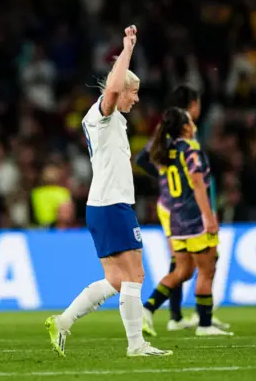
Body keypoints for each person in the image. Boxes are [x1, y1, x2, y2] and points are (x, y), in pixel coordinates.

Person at [45, 25, 172, 357]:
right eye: (135, 92)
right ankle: (136, 345)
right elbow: (114, 87)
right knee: (136, 274)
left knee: (116, 280)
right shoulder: (102, 113)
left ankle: (62, 322)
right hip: (111, 205)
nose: (137, 98)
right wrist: (127, 48)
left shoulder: (114, 120)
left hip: (102, 205)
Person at [136, 84, 229, 333]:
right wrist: (209, 217)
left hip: (175, 217)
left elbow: (145, 160)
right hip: (193, 215)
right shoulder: (190, 149)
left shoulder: (165, 149)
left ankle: (148, 309)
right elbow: (198, 185)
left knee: (183, 269)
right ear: (187, 121)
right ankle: (204, 322)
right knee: (207, 268)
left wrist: (165, 180)